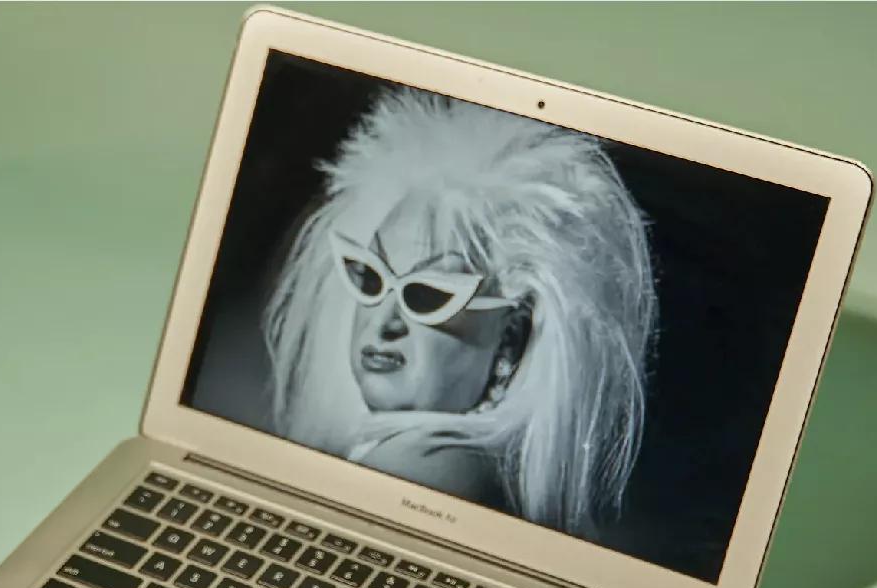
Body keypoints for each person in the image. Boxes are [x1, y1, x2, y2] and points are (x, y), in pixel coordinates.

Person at [264, 87, 657, 539]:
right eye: (370, 277)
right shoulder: (466, 468)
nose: (385, 322)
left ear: (512, 338)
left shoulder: (422, 466)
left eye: (429, 295)